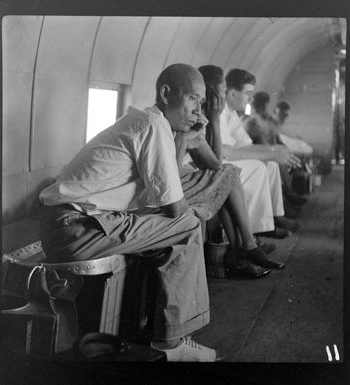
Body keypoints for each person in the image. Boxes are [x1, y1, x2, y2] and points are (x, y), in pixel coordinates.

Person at [39, 63, 221, 362]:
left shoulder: (148, 122)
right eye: (191, 98)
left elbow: (165, 192)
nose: (197, 110)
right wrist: (194, 208)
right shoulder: (153, 124)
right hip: (73, 228)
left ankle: (146, 329)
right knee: (187, 225)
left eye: (201, 102)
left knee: (173, 225)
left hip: (70, 225)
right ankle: (171, 343)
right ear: (165, 93)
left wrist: (184, 140)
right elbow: (175, 208)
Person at [175, 64, 284, 279]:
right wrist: (213, 120)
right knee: (228, 174)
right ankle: (245, 248)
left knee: (226, 176)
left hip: (188, 173)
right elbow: (215, 163)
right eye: (222, 92)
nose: (223, 98)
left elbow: (215, 162)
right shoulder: (183, 118)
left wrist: (212, 120)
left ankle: (243, 250)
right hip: (177, 180)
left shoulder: (199, 119)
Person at [220, 69, 302, 236]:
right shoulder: (220, 113)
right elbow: (226, 152)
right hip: (219, 161)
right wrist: (271, 153)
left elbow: (245, 145)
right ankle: (254, 230)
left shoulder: (232, 114)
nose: (251, 98)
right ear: (233, 93)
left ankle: (272, 218)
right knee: (258, 167)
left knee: (270, 165)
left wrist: (274, 150)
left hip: (228, 158)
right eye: (248, 93)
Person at [244, 93, 307, 217]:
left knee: (282, 160)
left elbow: (276, 140)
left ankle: (286, 197)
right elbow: (260, 145)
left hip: (266, 154)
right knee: (276, 164)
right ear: (262, 108)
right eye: (267, 107)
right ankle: (283, 201)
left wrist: (285, 150)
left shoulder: (268, 123)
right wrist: (276, 153)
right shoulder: (251, 124)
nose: (269, 110)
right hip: (256, 157)